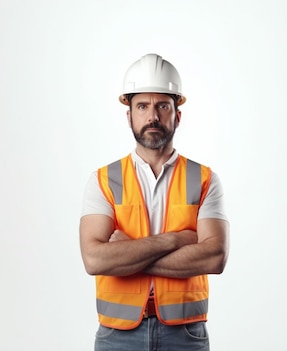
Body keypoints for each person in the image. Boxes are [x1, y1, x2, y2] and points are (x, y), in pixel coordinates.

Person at [79, 53, 230, 351]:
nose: (153, 117)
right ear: (129, 115)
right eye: (142, 106)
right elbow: (95, 260)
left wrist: (126, 253)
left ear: (177, 114)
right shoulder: (103, 180)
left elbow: (214, 258)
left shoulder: (204, 179)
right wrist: (176, 240)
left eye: (162, 105)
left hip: (185, 335)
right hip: (117, 337)